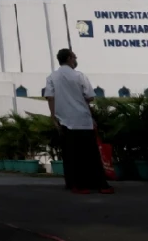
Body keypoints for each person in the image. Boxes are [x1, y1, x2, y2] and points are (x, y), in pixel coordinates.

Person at [45, 48, 114, 194]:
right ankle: (100, 185)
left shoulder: (52, 77)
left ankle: (76, 185)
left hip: (65, 121)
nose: (75, 60)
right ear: (70, 58)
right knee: (91, 155)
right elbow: (89, 97)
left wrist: (53, 117)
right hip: (83, 120)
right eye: (74, 57)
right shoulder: (79, 76)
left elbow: (50, 97)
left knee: (71, 155)